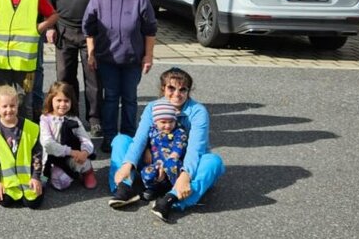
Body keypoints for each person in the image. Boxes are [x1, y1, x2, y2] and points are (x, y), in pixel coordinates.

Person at [109, 68, 225, 223]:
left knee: (213, 161)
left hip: (181, 162)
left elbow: (195, 148)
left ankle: (173, 198)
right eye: (171, 88)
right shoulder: (153, 107)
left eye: (182, 89)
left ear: (188, 91)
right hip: (153, 160)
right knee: (121, 140)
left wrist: (185, 176)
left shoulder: (198, 111)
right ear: (163, 88)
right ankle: (124, 188)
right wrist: (127, 164)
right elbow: (140, 138)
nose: (177, 94)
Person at [82, 0, 157, 152]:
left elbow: (150, 30)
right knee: (111, 98)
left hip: (133, 59)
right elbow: (88, 28)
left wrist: (148, 55)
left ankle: (129, 136)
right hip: (107, 59)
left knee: (130, 98)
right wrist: (91, 53)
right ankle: (110, 137)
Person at [47, 0, 105, 136]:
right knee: (65, 77)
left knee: (94, 79)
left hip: (91, 34)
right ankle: (70, 115)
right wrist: (51, 27)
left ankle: (95, 118)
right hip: (64, 30)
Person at [0, 86, 43, 209]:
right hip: (7, 180)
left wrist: (36, 177)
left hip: (28, 177)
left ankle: (43, 182)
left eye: (12, 106)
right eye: (4, 106)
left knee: (32, 203)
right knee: (6, 201)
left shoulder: (30, 128)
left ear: (18, 105)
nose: (9, 110)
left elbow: (37, 155)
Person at [39, 82, 97, 190]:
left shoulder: (73, 119)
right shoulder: (45, 119)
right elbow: (48, 143)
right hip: (51, 159)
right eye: (59, 100)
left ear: (71, 102)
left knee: (84, 161)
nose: (62, 104)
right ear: (51, 100)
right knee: (61, 183)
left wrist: (84, 152)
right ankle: (48, 176)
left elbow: (85, 139)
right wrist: (70, 151)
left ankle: (88, 172)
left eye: (66, 101)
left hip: (71, 157)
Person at [138, 102, 188, 209]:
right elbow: (144, 140)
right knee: (147, 172)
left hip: (171, 165)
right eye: (163, 122)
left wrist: (173, 156)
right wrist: (146, 149)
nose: (168, 125)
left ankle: (174, 190)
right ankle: (154, 188)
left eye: (171, 121)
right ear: (156, 121)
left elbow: (180, 146)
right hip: (156, 164)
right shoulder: (152, 131)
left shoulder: (179, 132)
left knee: (172, 165)